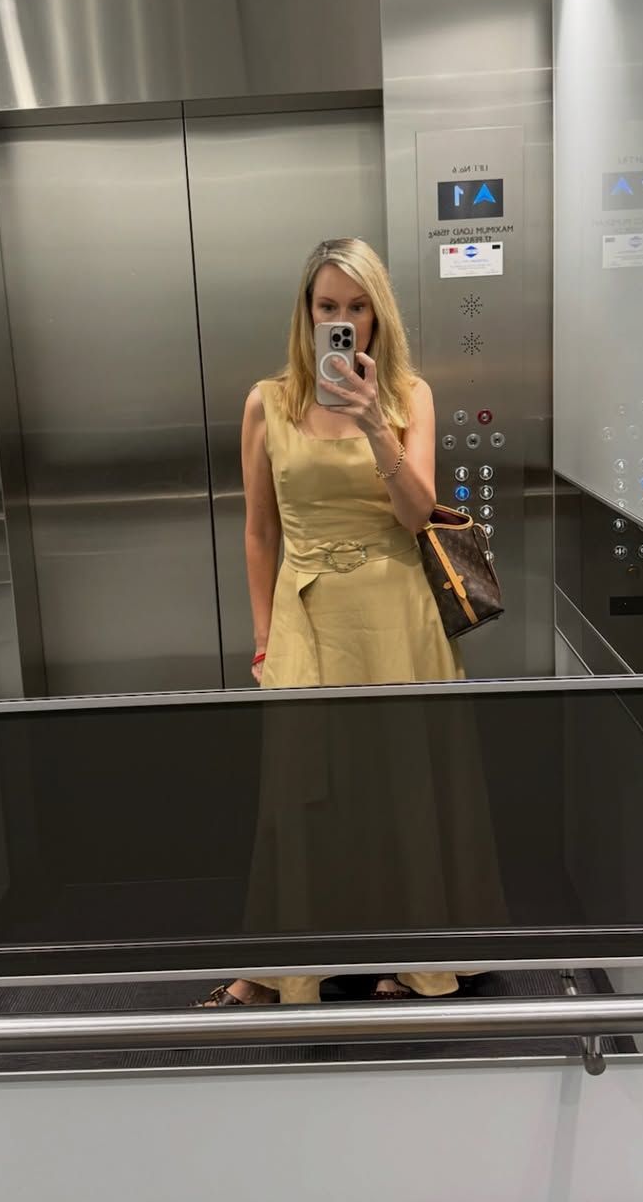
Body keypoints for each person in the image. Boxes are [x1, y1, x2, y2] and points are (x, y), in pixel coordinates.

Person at [201, 238, 506, 1008]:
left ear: (377, 314)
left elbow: (416, 513)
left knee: (401, 785)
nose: (342, 319)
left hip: (399, 612)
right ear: (306, 314)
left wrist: (374, 423)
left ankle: (407, 956)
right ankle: (285, 965)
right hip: (306, 616)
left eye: (357, 306)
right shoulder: (267, 403)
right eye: (327, 305)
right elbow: (259, 531)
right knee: (301, 792)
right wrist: (263, 637)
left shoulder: (408, 396)